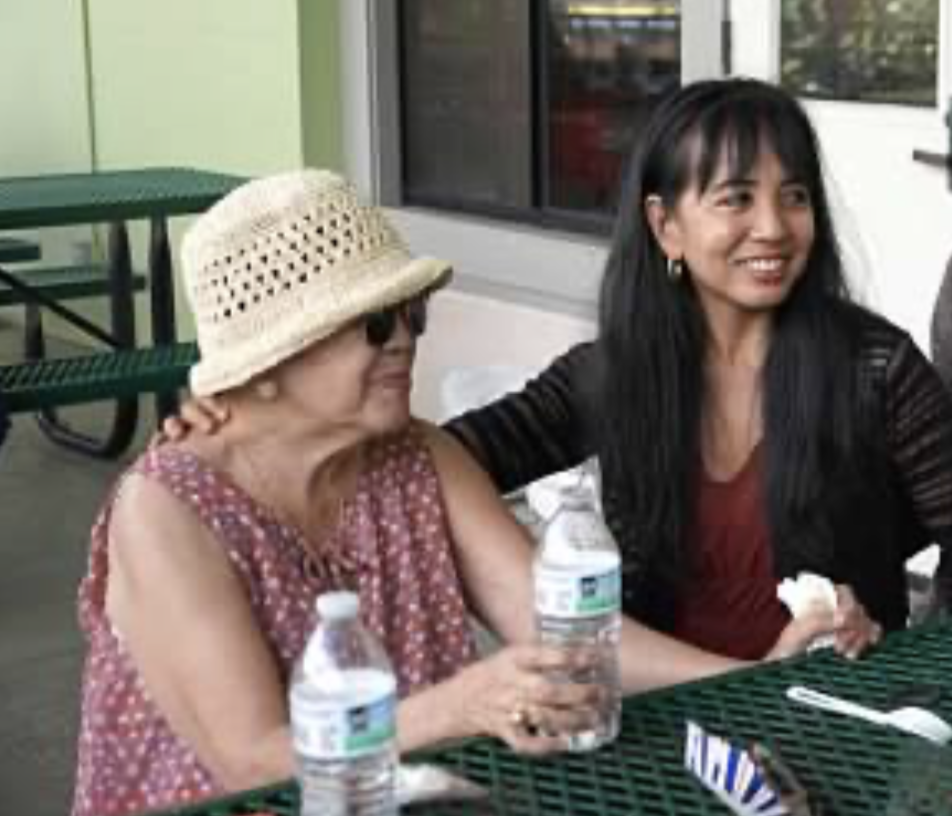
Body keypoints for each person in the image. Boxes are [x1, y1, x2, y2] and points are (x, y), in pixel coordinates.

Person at [74, 169, 841, 816]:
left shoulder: (416, 454)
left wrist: (754, 675)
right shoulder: (166, 512)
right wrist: (461, 706)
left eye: (413, 315)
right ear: (266, 365)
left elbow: (566, 632)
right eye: (376, 325)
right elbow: (253, 762)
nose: (408, 339)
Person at [169, 79, 894, 663]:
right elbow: (445, 459)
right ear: (665, 226)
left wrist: (895, 657)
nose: (773, 226)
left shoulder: (875, 369)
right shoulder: (612, 376)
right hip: (661, 718)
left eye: (795, 196)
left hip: (832, 714)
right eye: (737, 197)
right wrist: (235, 429)